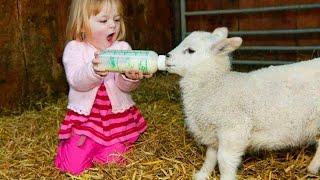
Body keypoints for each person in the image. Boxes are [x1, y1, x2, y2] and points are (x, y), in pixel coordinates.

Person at [54, 0, 151, 175]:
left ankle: (112, 146)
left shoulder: (122, 48)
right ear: (82, 25)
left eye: (116, 19)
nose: (112, 25)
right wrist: (93, 71)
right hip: (87, 121)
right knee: (72, 167)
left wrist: (129, 77)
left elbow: (125, 88)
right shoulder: (75, 49)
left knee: (113, 164)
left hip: (116, 121)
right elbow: (76, 80)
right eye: (103, 21)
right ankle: (78, 147)